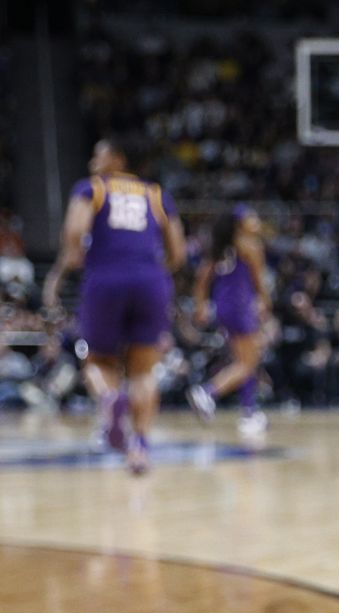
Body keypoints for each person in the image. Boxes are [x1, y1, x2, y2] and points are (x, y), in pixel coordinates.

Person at [41, 136, 186, 474]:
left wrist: (66, 269)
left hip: (106, 278)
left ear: (118, 159)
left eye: (99, 153)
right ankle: (140, 449)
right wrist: (151, 272)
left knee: (95, 360)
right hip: (151, 280)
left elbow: (75, 234)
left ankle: (109, 400)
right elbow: (177, 253)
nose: (93, 160)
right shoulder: (157, 194)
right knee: (143, 370)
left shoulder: (92, 188)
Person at [188, 206, 272, 439]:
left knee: (246, 360)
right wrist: (265, 303)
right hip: (241, 306)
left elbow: (202, 277)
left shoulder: (221, 248)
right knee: (246, 364)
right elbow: (259, 280)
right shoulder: (250, 246)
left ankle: (249, 413)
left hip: (223, 306)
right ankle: (207, 393)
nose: (255, 221)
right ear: (240, 224)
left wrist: (201, 304)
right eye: (251, 217)